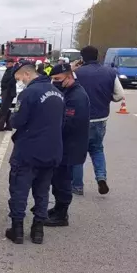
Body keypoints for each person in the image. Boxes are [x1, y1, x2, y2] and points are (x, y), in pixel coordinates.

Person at [6, 60, 64, 244]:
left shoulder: (28, 93)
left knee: (19, 191)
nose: (20, 82)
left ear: (27, 74)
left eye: (20, 79)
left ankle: (17, 231)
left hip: (28, 151)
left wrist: (12, 116)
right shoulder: (58, 93)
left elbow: (17, 121)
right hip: (52, 150)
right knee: (42, 192)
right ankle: (38, 231)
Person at [71, 45, 125, 195]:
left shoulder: (77, 73)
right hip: (101, 118)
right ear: (97, 56)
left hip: (80, 118)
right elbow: (119, 95)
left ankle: (77, 186)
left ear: (82, 58)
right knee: (97, 149)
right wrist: (107, 98)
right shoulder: (110, 72)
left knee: (77, 152)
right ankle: (101, 177)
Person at [44, 63, 90, 227]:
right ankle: (58, 208)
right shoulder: (66, 91)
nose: (55, 82)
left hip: (70, 146)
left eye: (58, 79)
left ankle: (62, 215)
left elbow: (68, 123)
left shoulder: (76, 96)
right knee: (57, 179)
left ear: (69, 77)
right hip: (63, 145)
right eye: (53, 79)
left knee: (63, 180)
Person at [0, 58, 17, 132]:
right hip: (6, 91)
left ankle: (0, 126)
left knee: (3, 109)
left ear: (12, 63)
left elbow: (12, 81)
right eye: (6, 62)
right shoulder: (9, 70)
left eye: (8, 62)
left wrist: (6, 90)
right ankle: (9, 125)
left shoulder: (12, 70)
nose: (6, 64)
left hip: (8, 92)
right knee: (6, 109)